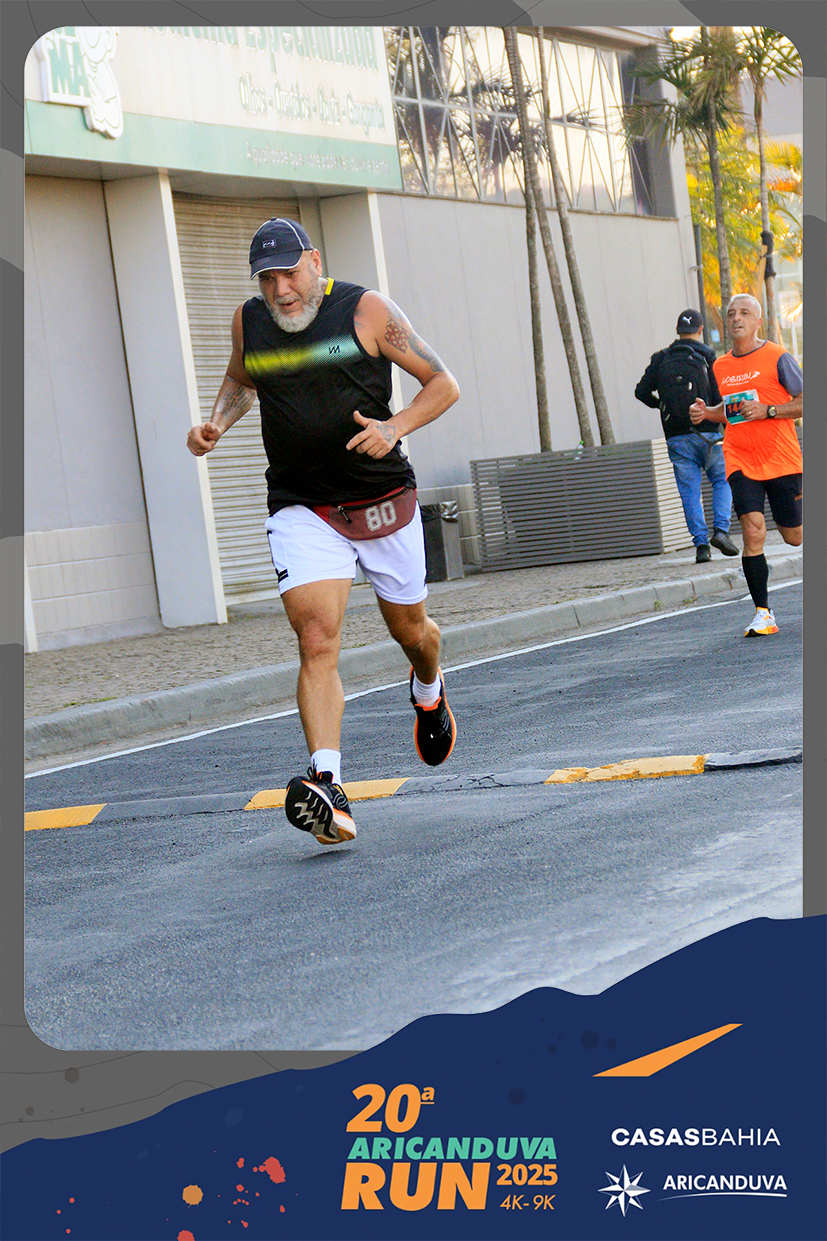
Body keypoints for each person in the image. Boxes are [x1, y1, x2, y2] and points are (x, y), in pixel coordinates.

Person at [187, 218, 460, 844]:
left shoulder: (367, 311)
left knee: (412, 633)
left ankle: (428, 687)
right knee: (315, 638)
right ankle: (327, 786)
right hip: (302, 505)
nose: (280, 290)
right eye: (267, 279)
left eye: (288, 273)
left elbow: (443, 384)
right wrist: (217, 423)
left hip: (381, 498)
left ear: (314, 261)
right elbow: (243, 378)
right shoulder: (250, 322)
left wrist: (394, 428)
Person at [690, 293, 803, 636]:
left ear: (758, 322)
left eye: (744, 313)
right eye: (731, 313)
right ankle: (763, 614)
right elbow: (730, 410)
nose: (736, 318)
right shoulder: (720, 366)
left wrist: (770, 410)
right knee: (753, 531)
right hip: (740, 458)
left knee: (794, 537)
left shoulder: (777, 357)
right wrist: (706, 413)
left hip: (781, 459)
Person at [635, 309, 738, 563]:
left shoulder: (661, 358)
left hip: (677, 436)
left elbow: (641, 392)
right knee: (721, 480)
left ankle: (701, 545)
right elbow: (719, 395)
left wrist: (661, 405)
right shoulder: (708, 356)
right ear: (700, 330)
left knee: (689, 492)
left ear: (677, 331)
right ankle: (721, 531)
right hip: (709, 432)